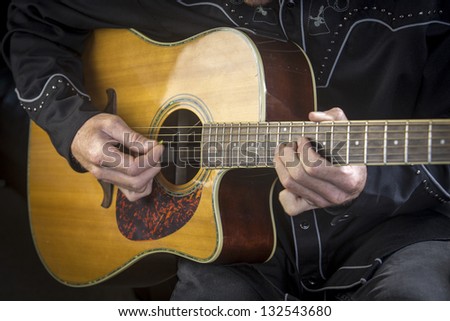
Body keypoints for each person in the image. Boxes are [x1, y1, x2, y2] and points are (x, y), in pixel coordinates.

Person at [2, 0, 450, 300]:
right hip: (231, 251)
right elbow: (35, 19)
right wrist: (74, 125)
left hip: (393, 239)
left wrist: (372, 182)